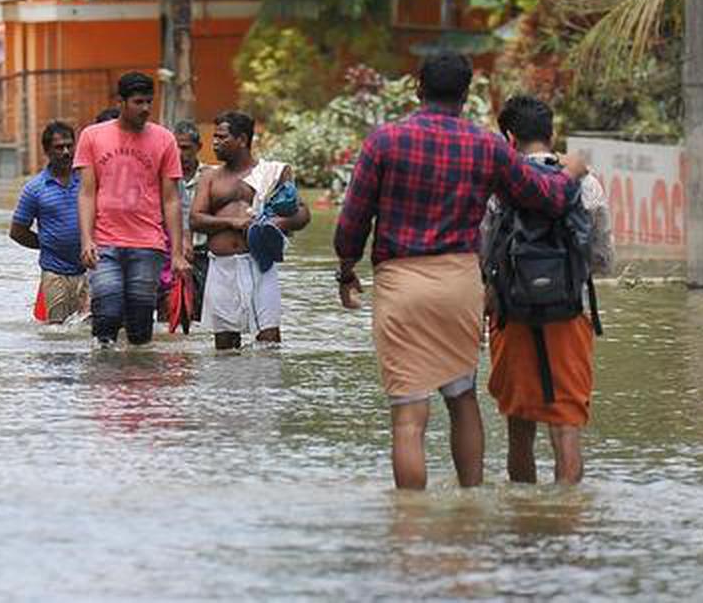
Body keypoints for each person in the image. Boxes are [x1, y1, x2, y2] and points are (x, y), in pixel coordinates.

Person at [333, 52, 587, 490]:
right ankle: (471, 502)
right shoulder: (486, 145)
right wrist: (572, 173)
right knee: (462, 397)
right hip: (460, 284)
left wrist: (346, 268)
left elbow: (353, 220)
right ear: (466, 94)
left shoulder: (384, 141)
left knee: (409, 419)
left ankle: (410, 519)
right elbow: (542, 196)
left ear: (418, 88)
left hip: (401, 283)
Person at [482, 95, 614, 485]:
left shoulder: (499, 185)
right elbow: (602, 257)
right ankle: (565, 521)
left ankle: (524, 521)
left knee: (519, 430)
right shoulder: (586, 182)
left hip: (511, 316)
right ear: (551, 132)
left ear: (509, 137)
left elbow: (484, 252)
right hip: (568, 313)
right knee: (566, 426)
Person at [73, 71, 188, 346]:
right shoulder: (92, 136)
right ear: (121, 102)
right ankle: (102, 381)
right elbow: (87, 193)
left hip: (148, 244)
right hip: (105, 242)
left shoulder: (164, 140)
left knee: (139, 326)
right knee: (107, 315)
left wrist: (177, 252)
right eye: (138, 102)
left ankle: (138, 383)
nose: (146, 108)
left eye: (149, 101)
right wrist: (86, 239)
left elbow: (171, 199)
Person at [190, 111, 310, 350]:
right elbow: (195, 219)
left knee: (269, 339)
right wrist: (232, 223)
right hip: (221, 267)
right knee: (224, 345)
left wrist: (277, 224)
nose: (214, 143)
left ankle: (265, 388)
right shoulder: (209, 178)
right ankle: (229, 389)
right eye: (214, 137)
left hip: (259, 264)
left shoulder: (273, 173)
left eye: (221, 137)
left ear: (242, 140)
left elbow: (302, 214)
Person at [11, 121, 87, 323]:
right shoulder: (35, 189)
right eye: (59, 147)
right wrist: (48, 243)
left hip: (90, 269)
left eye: (70, 146)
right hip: (54, 272)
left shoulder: (88, 181)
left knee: (91, 330)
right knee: (57, 332)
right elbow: (17, 232)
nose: (66, 152)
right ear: (47, 151)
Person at [173, 119, 210, 321]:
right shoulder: (164, 179)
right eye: (175, 147)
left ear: (198, 148)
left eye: (186, 148)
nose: (180, 153)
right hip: (170, 257)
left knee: (201, 317)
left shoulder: (210, 177)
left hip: (203, 257)